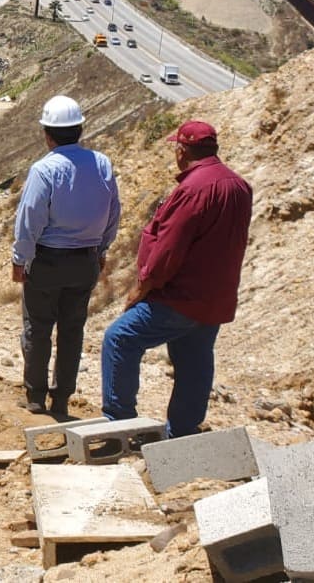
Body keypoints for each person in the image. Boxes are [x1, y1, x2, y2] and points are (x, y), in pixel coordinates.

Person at [100, 120, 252, 437]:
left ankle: (120, 424)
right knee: (193, 358)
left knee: (120, 338)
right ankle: (183, 431)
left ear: (182, 150)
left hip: (180, 296)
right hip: (215, 296)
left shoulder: (193, 190)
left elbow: (168, 250)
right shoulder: (238, 186)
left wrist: (141, 288)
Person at [12, 96, 121, 417]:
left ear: (47, 134)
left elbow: (30, 218)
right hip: (84, 261)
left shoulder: (44, 170)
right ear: (80, 129)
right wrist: (102, 249)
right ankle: (61, 400)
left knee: (37, 328)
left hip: (47, 261)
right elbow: (114, 211)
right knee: (72, 332)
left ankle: (35, 397)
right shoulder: (102, 163)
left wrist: (20, 259)